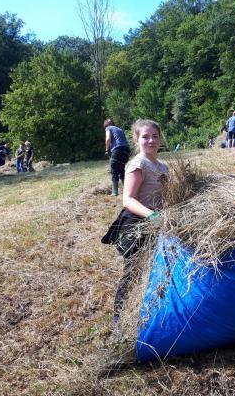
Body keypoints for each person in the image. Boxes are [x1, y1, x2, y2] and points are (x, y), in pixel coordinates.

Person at [101, 119, 169, 334]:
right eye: (145, 136)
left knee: (153, 270)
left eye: (155, 136)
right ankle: (120, 323)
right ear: (136, 139)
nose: (151, 140)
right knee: (133, 272)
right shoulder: (137, 164)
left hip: (157, 224)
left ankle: (148, 315)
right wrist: (151, 215)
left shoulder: (163, 166)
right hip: (137, 224)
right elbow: (128, 199)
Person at [104, 118, 130, 196]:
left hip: (117, 149)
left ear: (106, 125)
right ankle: (127, 191)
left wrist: (106, 149)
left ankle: (114, 192)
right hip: (126, 150)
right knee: (122, 170)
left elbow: (108, 138)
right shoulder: (119, 129)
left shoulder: (108, 128)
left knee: (114, 169)